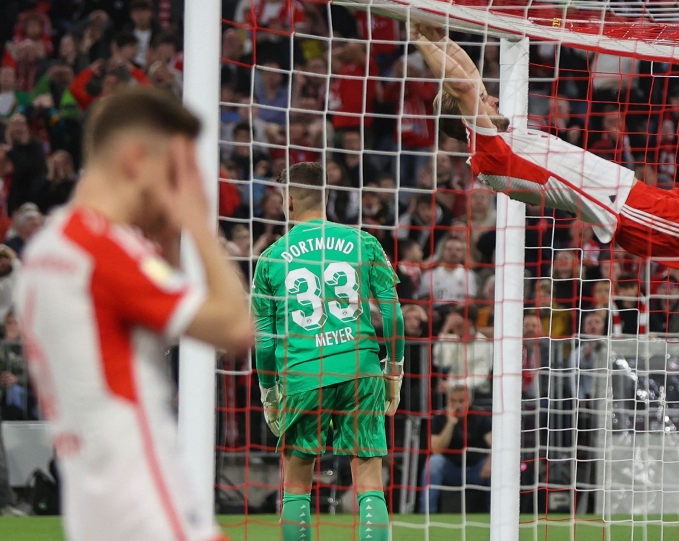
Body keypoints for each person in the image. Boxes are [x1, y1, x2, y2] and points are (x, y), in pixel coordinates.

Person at [410, 23, 679, 392]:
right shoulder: (490, 152)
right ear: (467, 116)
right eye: (484, 102)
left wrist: (439, 33)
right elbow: (463, 85)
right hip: (626, 210)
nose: (492, 98)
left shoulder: (497, 137)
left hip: (639, 193)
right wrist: (418, 35)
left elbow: (466, 76)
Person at [14, 87, 253, 541]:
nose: (174, 191)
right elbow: (236, 327)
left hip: (93, 507)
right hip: (147, 503)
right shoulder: (103, 249)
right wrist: (198, 224)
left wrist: (164, 243)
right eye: (172, 172)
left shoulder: (45, 249)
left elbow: (140, 332)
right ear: (136, 159)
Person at [253, 161, 404, 541]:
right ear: (326, 195)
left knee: (297, 482)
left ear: (288, 201)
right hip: (361, 367)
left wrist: (269, 392)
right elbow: (393, 314)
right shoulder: (364, 241)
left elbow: (265, 341)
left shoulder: (271, 257)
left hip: (304, 373)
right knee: (368, 477)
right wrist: (394, 371)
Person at [422, 385, 491, 513]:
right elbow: (436, 450)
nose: (457, 405)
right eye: (452, 401)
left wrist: (489, 462)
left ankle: (495, 515)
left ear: (469, 401)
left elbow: (495, 445)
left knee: (496, 466)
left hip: (477, 470)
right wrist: (450, 423)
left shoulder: (480, 416)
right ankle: (426, 514)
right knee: (433, 463)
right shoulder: (439, 418)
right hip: (451, 470)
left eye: (461, 401)